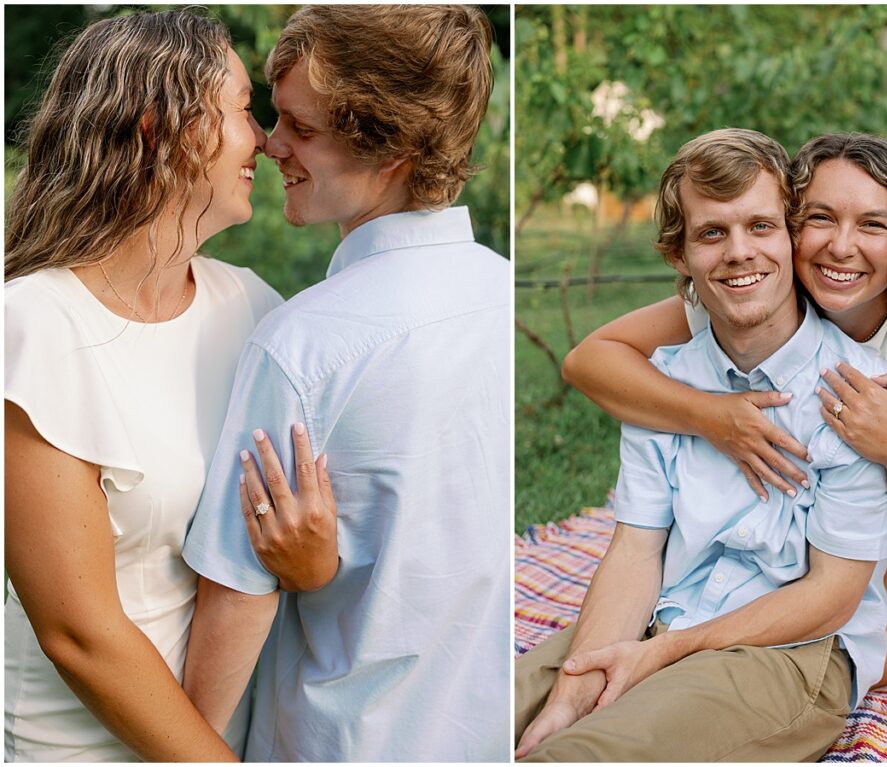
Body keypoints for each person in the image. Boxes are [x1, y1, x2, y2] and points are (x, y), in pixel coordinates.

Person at [180, 5, 510, 762]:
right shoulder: (499, 286)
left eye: (302, 127)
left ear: (388, 146)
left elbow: (236, 596)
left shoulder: (302, 344)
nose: (269, 143)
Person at [562, 132, 887, 685]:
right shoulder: (748, 293)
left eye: (872, 224)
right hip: (824, 498)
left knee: (869, 657)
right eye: (821, 218)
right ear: (790, 224)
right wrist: (711, 415)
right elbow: (588, 361)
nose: (841, 247)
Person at [515, 128, 887, 762]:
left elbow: (831, 595)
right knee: (477, 722)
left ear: (791, 235)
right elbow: (636, 551)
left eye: (760, 226)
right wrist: (568, 691)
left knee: (578, 755)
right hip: (663, 612)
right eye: (712, 233)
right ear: (681, 254)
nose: (739, 253)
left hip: (790, 652)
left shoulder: (855, 394)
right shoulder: (665, 383)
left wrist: (661, 654)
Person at [5, 10, 282, 762]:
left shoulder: (253, 307)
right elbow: (79, 633)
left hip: (223, 730)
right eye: (240, 110)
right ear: (162, 129)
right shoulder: (34, 327)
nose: (263, 138)